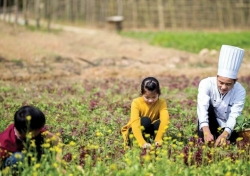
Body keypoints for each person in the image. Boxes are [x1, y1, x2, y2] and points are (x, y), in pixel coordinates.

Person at [197, 45, 246, 146]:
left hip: (228, 125)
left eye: (228, 84)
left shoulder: (240, 91)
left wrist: (225, 134)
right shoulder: (206, 83)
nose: (223, 87)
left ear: (235, 81)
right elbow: (202, 107)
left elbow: (235, 114)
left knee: (233, 141)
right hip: (210, 122)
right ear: (217, 77)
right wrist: (206, 131)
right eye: (221, 82)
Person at [0, 105, 61, 171]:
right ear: (30, 132)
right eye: (39, 128)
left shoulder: (34, 130)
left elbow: (57, 141)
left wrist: (58, 163)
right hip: (8, 165)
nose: (42, 129)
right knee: (18, 158)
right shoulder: (4, 142)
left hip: (28, 157)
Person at [121, 77, 170, 149]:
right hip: (135, 131)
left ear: (159, 93)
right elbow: (135, 123)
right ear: (141, 93)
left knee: (159, 123)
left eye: (154, 97)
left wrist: (158, 138)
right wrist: (142, 142)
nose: (150, 100)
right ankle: (135, 143)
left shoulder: (162, 102)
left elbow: (165, 120)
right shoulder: (136, 102)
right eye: (147, 97)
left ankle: (153, 143)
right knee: (146, 121)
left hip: (150, 131)